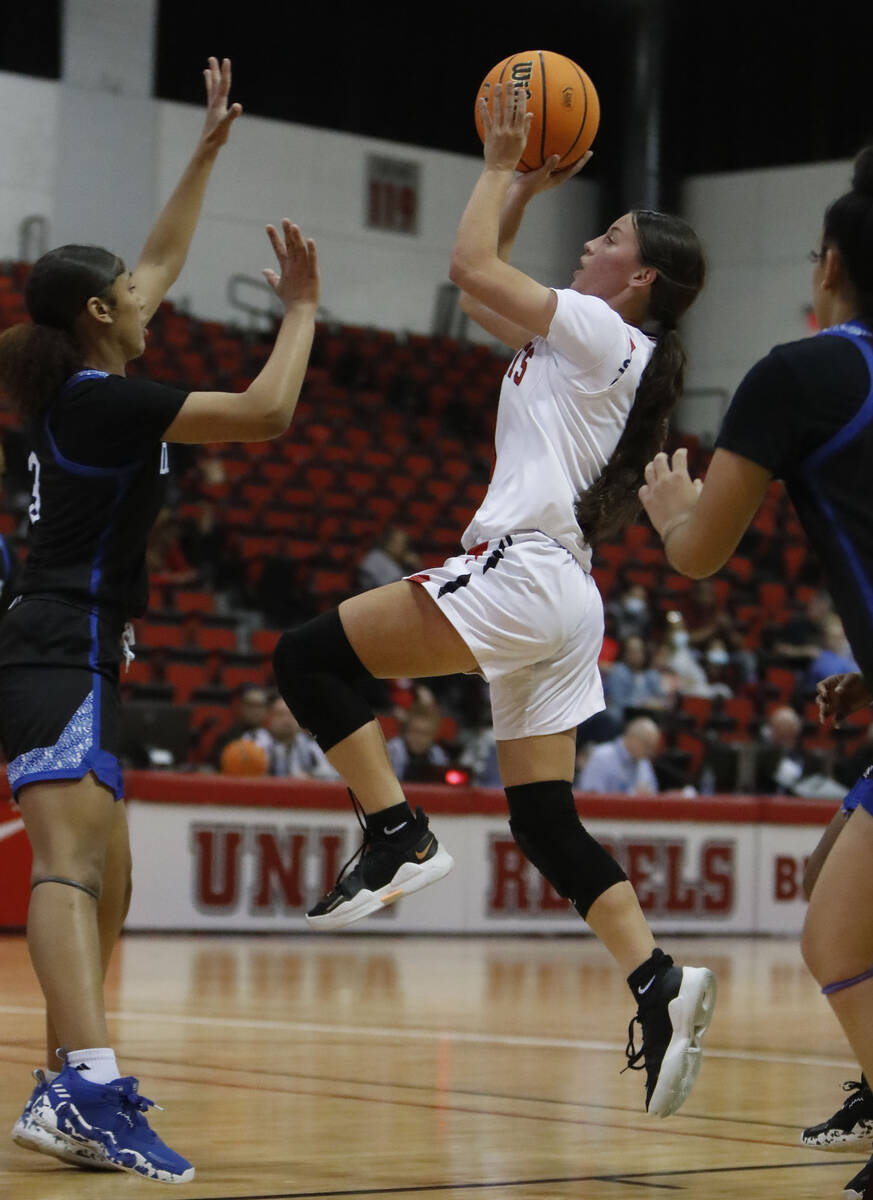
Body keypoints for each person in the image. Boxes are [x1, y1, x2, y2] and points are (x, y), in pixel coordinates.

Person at [272, 82, 714, 1118]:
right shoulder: (582, 345)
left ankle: (396, 832)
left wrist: (496, 172)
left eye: (604, 234)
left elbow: (473, 265)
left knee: (306, 657)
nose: (588, 244)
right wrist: (513, 188)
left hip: (522, 572)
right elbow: (478, 288)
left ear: (638, 275)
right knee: (546, 820)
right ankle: (660, 983)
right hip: (563, 596)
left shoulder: (605, 333)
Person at [1, 58, 320, 1182]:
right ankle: (88, 1082)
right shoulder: (102, 400)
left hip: (73, 646)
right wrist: (301, 309)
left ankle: (60, 1089)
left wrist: (204, 151)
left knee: (111, 882)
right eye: (130, 298)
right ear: (100, 317)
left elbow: (162, 258)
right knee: (72, 867)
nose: (150, 299)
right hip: (58, 643)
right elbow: (271, 410)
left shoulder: (80, 387)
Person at [638, 143, 873, 1198]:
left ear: (830, 265)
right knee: (835, 884)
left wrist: (668, 513)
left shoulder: (803, 374)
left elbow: (703, 553)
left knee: (833, 933)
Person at [576, 716, 662, 795]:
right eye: (647, 745)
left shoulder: (644, 763)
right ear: (632, 738)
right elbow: (591, 797)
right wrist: (630, 796)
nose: (650, 752)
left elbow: (653, 794)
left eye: (652, 747)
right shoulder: (602, 757)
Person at [752, 705, 824, 795]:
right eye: (779, 726)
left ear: (796, 730)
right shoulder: (761, 758)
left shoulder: (810, 760)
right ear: (771, 730)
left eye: (787, 727)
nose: (784, 731)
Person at [266, 695, 338, 779]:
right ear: (269, 718)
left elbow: (332, 774)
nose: (286, 720)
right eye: (280, 714)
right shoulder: (260, 743)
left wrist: (311, 776)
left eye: (291, 715)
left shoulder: (311, 747)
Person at [602, 634, 668, 726]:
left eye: (638, 651)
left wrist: (658, 703)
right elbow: (618, 701)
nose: (636, 655)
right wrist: (641, 704)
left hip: (648, 716)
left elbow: (661, 698)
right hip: (624, 716)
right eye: (632, 651)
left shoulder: (651, 674)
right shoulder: (618, 671)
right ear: (625, 653)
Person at [386, 702, 450, 783]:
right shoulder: (391, 751)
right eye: (414, 731)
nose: (418, 739)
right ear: (405, 731)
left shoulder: (437, 755)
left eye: (425, 734)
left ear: (434, 735)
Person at [356, 526, 421, 591]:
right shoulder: (376, 557)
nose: (402, 547)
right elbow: (391, 585)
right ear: (388, 542)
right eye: (398, 542)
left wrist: (415, 568)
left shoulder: (399, 561)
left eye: (404, 543)